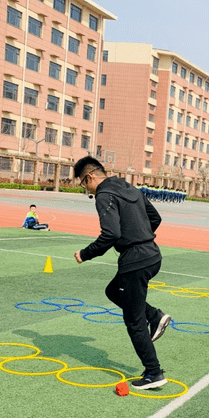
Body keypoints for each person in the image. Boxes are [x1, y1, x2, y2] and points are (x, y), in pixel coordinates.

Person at [73, 156, 172, 390]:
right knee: (112, 291)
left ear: (89, 177)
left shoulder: (104, 195)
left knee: (134, 320)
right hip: (152, 255)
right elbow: (155, 218)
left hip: (135, 262)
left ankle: (154, 373)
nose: (85, 189)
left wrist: (85, 254)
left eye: (83, 184)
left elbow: (111, 234)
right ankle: (155, 315)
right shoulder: (129, 188)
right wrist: (141, 237)